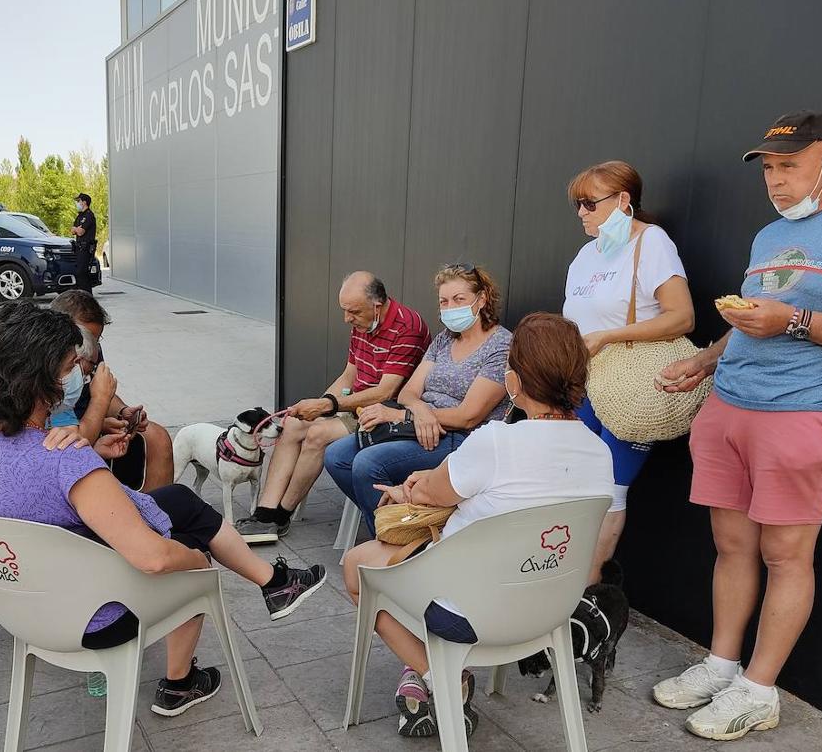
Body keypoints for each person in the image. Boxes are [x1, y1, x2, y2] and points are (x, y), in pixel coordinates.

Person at [650, 111, 822, 740]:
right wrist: (705, 359)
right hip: (729, 406)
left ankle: (759, 690)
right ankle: (721, 664)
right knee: (731, 547)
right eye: (768, 168)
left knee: (787, 555)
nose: (776, 180)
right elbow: (750, 320)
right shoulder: (768, 236)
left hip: (799, 412)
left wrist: (793, 321)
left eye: (788, 165)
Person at [0, 300, 327, 715]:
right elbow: (153, 559)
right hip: (91, 613)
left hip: (21, 604)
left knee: (176, 500)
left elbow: (32, 486)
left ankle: (273, 583)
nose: (82, 375)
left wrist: (88, 448)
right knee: (192, 557)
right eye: (73, 366)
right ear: (45, 381)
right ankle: (181, 683)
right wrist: (198, 562)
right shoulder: (63, 460)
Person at [343, 312, 614, 737]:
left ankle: (439, 674)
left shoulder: (496, 441)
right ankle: (437, 675)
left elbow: (433, 493)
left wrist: (406, 491)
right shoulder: (599, 452)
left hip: (470, 606)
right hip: (549, 605)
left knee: (356, 567)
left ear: (514, 381)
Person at [563, 161, 695, 580]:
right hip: (586, 384)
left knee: (610, 490)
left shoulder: (651, 242)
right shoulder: (586, 255)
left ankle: (586, 589)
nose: (582, 212)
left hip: (630, 384)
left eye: (589, 203)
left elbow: (682, 316)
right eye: (577, 205)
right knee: (576, 486)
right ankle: (561, 583)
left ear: (623, 201)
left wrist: (609, 337)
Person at [235, 272, 431, 543]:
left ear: (377, 305)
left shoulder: (407, 327)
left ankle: (281, 516)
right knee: (293, 424)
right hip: (356, 404)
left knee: (318, 435)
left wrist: (328, 406)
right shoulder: (365, 321)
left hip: (385, 412)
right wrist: (319, 404)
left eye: (353, 311)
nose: (347, 319)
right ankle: (265, 513)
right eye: (344, 311)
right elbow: (348, 376)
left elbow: (387, 391)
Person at [324, 264, 511, 536]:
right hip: (419, 428)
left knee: (367, 464)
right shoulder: (445, 339)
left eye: (459, 299)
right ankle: (401, 528)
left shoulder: (500, 345)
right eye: (444, 301)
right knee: (336, 455)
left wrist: (405, 415)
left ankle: (394, 540)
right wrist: (420, 412)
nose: (450, 307)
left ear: (481, 299)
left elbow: (468, 415)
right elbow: (408, 393)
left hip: (463, 438)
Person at [0, 291, 174, 492]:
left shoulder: (49, 364)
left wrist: (116, 411)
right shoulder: (35, 376)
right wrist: (98, 405)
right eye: (76, 361)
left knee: (156, 439)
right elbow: (72, 451)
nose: (84, 362)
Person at [71, 192, 97, 293]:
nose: (77, 203)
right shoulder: (79, 216)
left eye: (79, 201)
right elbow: (73, 230)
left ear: (84, 202)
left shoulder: (89, 216)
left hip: (86, 249)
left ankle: (87, 296)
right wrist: (76, 229)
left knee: (82, 273)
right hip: (78, 248)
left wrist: (77, 229)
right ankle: (82, 295)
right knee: (79, 274)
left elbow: (81, 232)